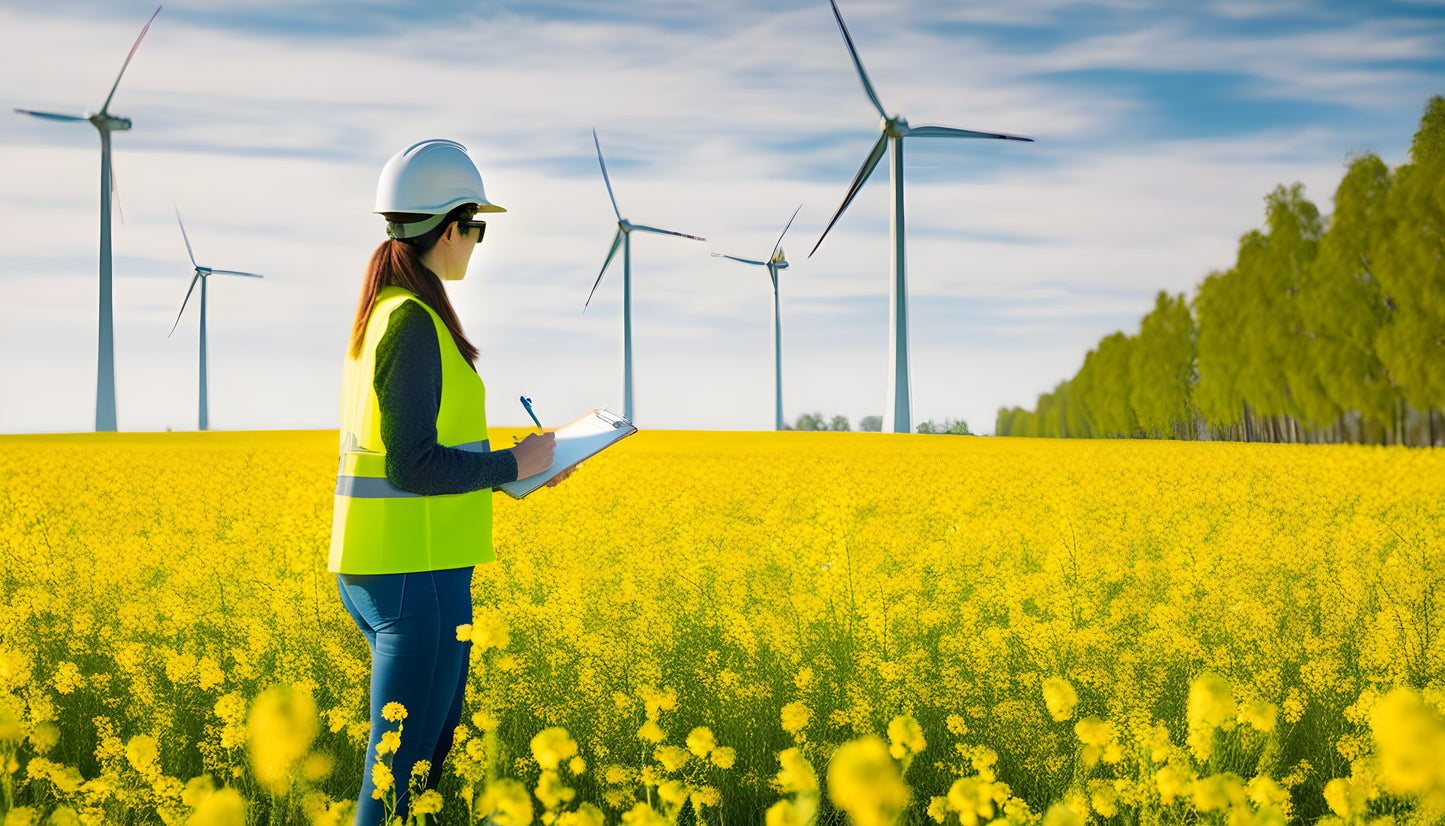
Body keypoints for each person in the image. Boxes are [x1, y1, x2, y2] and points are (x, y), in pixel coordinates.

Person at [329, 138, 565, 824]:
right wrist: (511, 465)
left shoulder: (394, 316)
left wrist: (513, 472)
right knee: (394, 772)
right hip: (408, 573)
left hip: (424, 566)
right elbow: (411, 463)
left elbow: (423, 452)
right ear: (449, 226)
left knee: (426, 764)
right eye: (477, 228)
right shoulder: (407, 322)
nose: (476, 245)